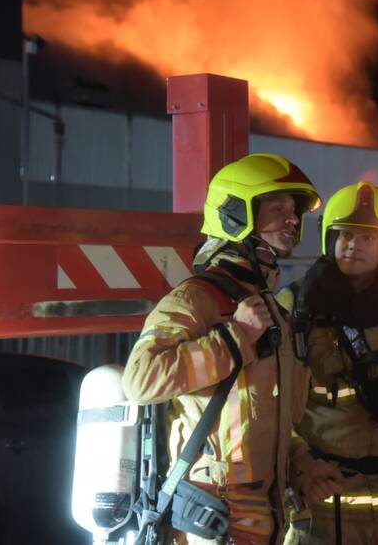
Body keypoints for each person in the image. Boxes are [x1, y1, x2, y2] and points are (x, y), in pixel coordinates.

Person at [122, 153, 342, 545]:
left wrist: (303, 465)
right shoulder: (195, 300)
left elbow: (268, 424)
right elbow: (140, 380)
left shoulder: (274, 311)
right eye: (278, 209)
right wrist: (235, 336)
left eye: (294, 211)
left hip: (267, 515)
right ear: (236, 215)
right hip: (215, 516)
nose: (292, 220)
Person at [278, 182, 378, 544]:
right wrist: (300, 466)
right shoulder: (295, 307)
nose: (353, 244)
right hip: (325, 503)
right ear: (328, 239)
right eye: (345, 234)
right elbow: (269, 405)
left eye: (368, 238)